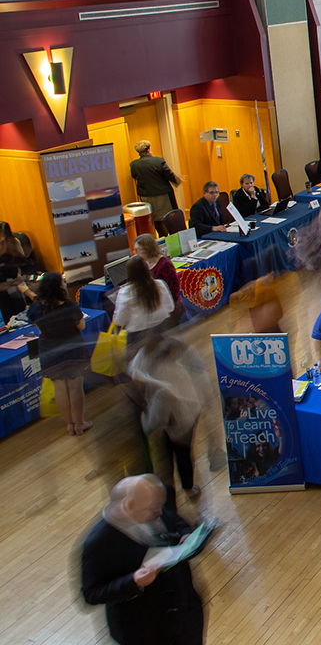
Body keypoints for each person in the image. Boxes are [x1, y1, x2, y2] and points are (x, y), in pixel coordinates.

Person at [80, 474, 205, 645]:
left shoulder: (149, 507)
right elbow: (91, 594)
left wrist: (185, 533)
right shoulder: (98, 543)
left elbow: (174, 520)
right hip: (146, 632)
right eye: (153, 508)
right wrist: (133, 581)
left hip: (186, 619)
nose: (159, 512)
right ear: (128, 506)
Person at [131, 335, 205, 499]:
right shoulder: (173, 371)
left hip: (175, 421)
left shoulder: (152, 370)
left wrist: (146, 422)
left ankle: (169, 493)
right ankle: (186, 489)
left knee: (167, 460)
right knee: (183, 456)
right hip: (182, 420)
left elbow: (155, 422)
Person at [28, 272, 90, 436]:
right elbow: (81, 326)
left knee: (60, 388)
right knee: (75, 387)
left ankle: (70, 424)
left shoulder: (35, 308)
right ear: (59, 288)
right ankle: (80, 423)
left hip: (49, 350)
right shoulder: (70, 308)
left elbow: (38, 327)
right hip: (72, 349)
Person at [113, 256, 175, 357]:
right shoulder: (159, 284)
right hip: (161, 331)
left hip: (137, 338)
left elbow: (119, 321)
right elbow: (170, 307)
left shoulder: (125, 292)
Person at [133, 234, 185, 329]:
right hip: (157, 310)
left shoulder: (165, 265)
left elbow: (174, 291)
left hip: (169, 311)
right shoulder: (146, 263)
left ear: (147, 249)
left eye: (137, 250)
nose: (135, 253)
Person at [129, 140, 182, 218]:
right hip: (163, 195)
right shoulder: (158, 161)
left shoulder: (134, 164)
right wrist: (178, 180)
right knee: (168, 217)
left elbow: (134, 176)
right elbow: (169, 175)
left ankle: (159, 230)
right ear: (148, 150)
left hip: (145, 195)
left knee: (153, 217)